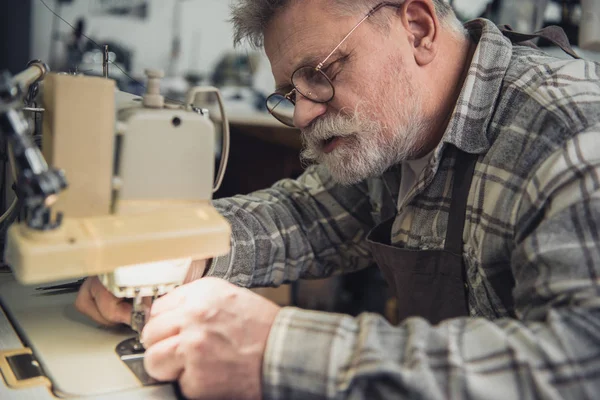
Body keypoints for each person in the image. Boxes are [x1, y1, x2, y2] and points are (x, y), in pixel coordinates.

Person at [75, 0, 600, 399]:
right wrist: (178, 248)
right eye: (291, 91)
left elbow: (579, 365)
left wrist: (280, 349)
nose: (303, 115)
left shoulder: (572, 135)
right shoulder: (397, 132)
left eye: (320, 75)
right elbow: (307, 216)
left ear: (418, 29)